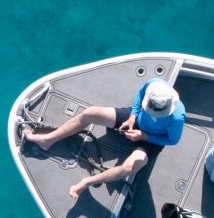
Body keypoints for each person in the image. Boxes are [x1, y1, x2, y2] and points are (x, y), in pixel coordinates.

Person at [20, 80, 185, 199]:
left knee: (131, 166)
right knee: (91, 112)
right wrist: (133, 117)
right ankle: (48, 140)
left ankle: (87, 182)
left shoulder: (177, 117)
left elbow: (171, 140)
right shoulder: (154, 85)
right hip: (134, 121)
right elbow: (140, 94)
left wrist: (144, 136)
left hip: (151, 139)